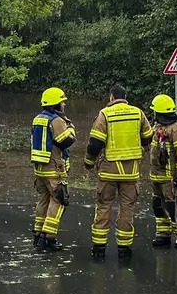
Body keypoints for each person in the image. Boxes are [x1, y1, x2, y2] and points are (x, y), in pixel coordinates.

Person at [84, 84, 153, 260]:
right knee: (127, 209)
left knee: (104, 206)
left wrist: (89, 163)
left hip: (108, 172)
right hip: (131, 173)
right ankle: (124, 248)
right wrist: (145, 149)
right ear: (125, 97)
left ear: (111, 97)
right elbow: (148, 137)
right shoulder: (138, 113)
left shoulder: (104, 114)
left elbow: (95, 143)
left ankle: (99, 248)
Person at [31, 87, 77, 251]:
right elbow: (66, 140)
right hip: (53, 170)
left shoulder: (38, 119)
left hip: (40, 170)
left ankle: (38, 234)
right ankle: (48, 238)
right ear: (56, 104)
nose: (64, 104)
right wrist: (70, 127)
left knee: (44, 200)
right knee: (59, 200)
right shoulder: (56, 120)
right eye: (62, 101)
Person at [149, 94, 177, 248]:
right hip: (156, 176)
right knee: (158, 205)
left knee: (173, 207)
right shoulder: (157, 127)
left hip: (170, 177)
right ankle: (163, 234)